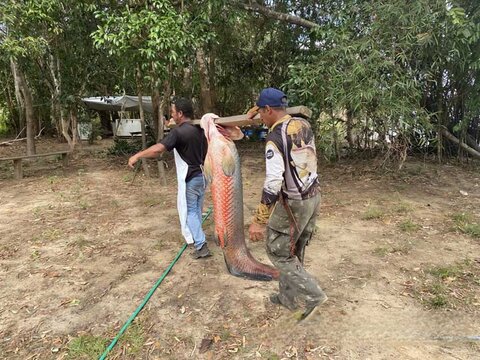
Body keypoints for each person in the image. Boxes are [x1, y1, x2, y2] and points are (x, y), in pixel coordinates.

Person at [247, 87, 327, 321]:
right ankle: (287, 297)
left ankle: (314, 295)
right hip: (313, 196)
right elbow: (270, 113)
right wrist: (256, 109)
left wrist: (259, 221)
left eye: (262, 112)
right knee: (295, 247)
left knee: (278, 251)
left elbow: (273, 182)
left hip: (293, 203)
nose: (260, 117)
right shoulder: (303, 125)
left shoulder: (274, 139)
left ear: (269, 109)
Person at [128, 97, 211, 259]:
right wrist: (169, 124)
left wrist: (138, 155)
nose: (171, 115)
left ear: (180, 113)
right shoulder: (200, 130)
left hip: (191, 179)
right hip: (203, 175)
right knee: (197, 210)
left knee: (191, 212)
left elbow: (158, 150)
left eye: (173, 112)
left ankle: (201, 246)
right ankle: (198, 238)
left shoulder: (178, 133)